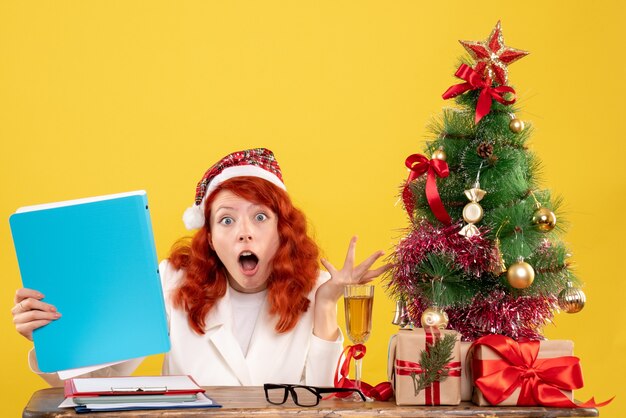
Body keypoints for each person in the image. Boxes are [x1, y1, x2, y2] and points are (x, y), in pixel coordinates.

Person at [12, 148, 389, 387]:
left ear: (281, 230)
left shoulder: (315, 287)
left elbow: (326, 403)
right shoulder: (172, 283)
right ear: (209, 237)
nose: (244, 233)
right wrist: (51, 341)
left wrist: (325, 306)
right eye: (226, 220)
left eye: (260, 217)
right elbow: (95, 382)